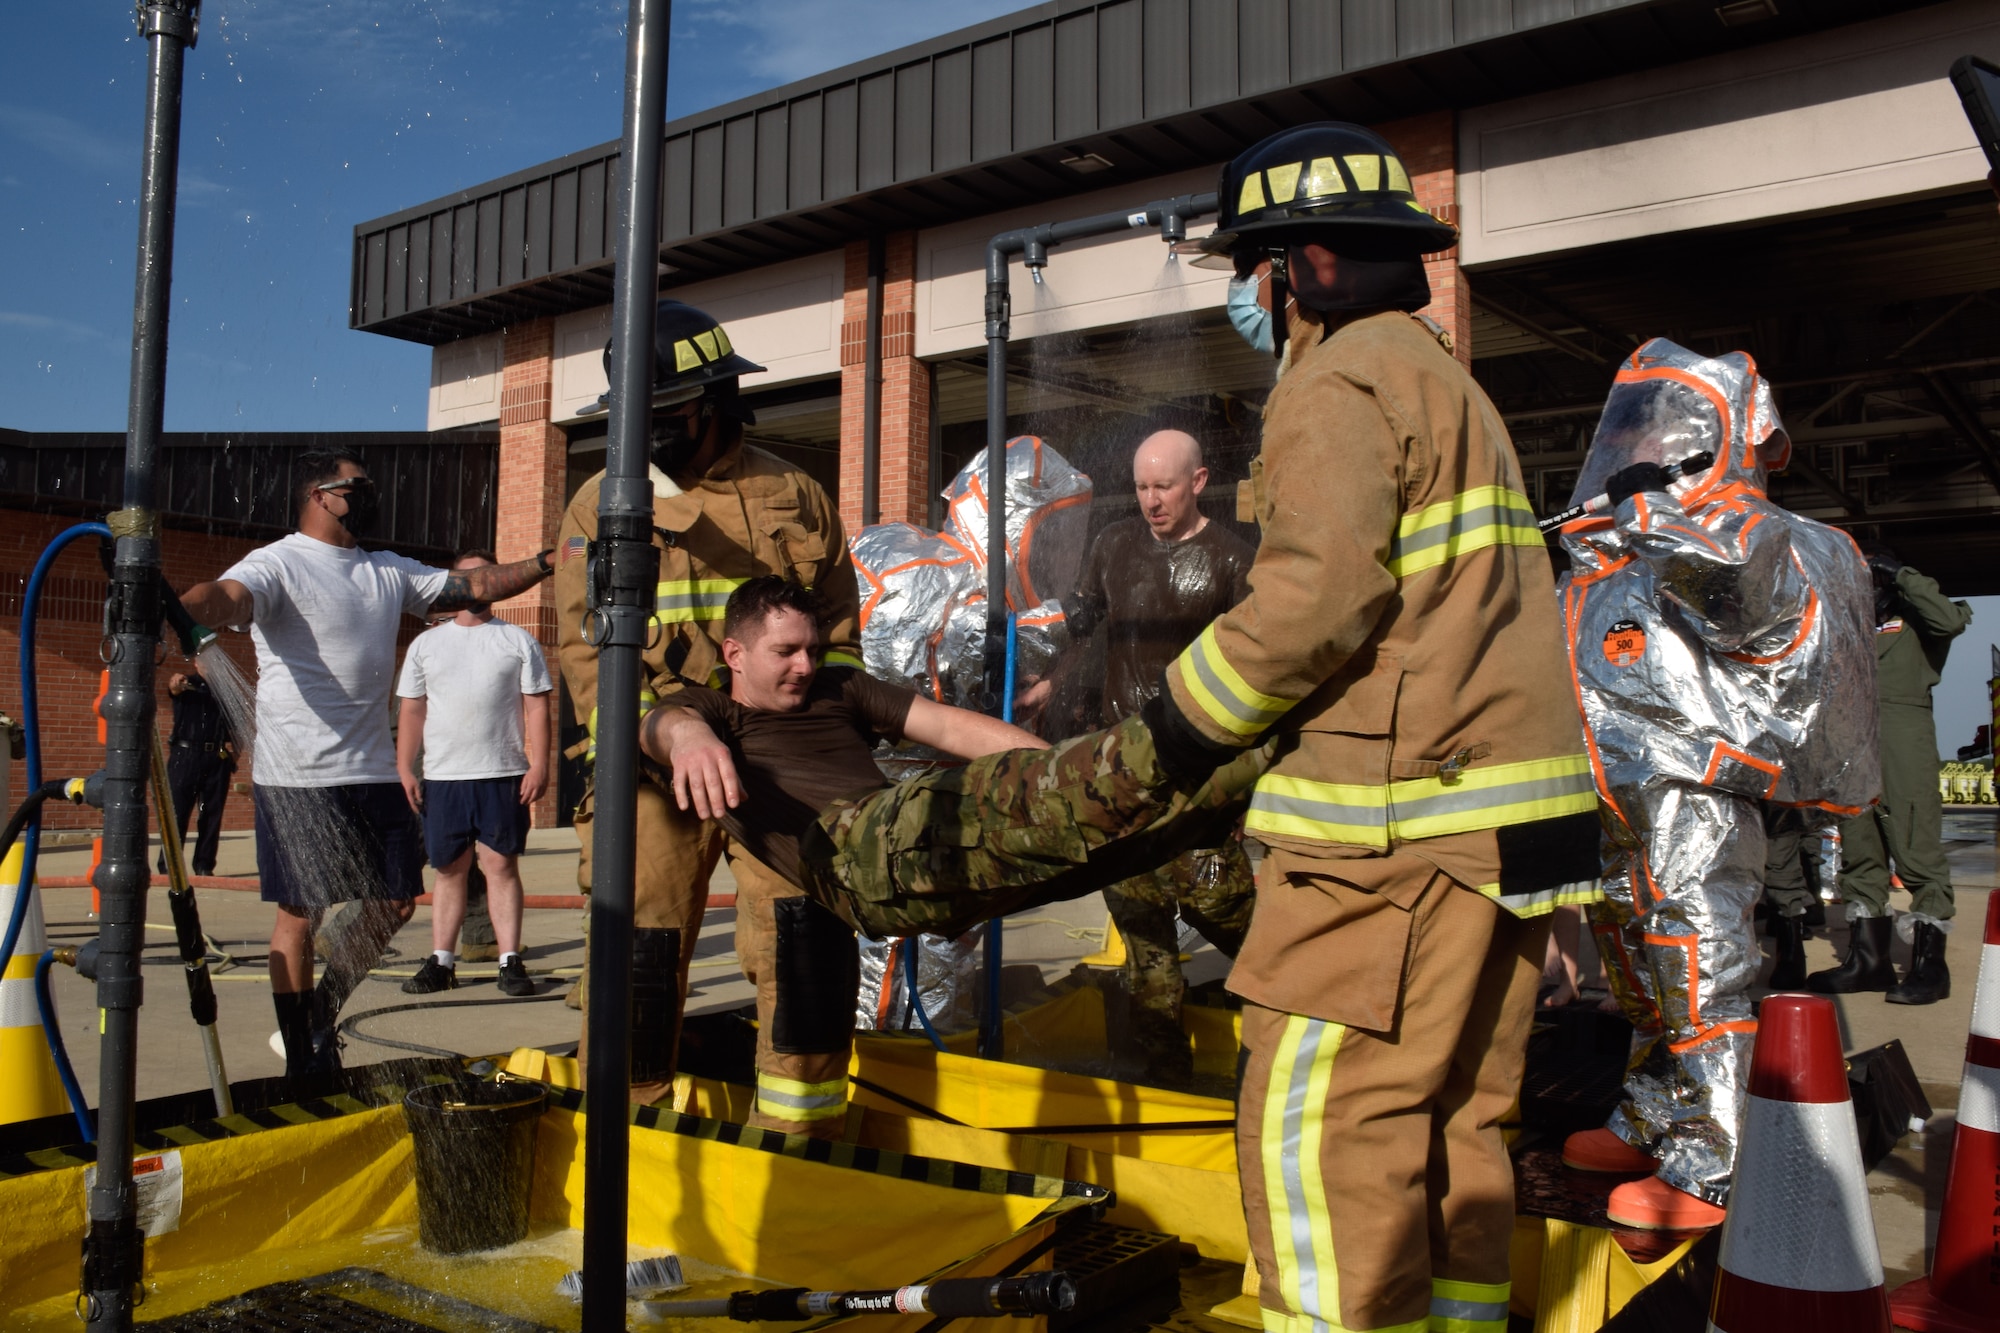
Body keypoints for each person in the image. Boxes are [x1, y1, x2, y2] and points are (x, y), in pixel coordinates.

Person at [1555, 339, 1878, 1230]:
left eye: (1665, 425)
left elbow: (1743, 595)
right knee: (1636, 959)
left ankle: (1718, 1157)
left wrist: (1651, 516)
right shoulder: (1613, 542)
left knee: (1698, 954)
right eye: (1634, 426)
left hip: (1691, 784)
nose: (1642, 444)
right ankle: (1658, 1112)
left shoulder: (1739, 529)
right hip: (1620, 788)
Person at [555, 298, 865, 1124]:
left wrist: (827, 748)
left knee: (805, 943)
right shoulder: (600, 503)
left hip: (780, 759)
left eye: (665, 414)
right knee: (638, 948)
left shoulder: (792, 493)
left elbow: (835, 637)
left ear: (713, 400)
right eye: (635, 416)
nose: (648, 434)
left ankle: (804, 1142)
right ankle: (627, 1139)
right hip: (656, 760)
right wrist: (659, 728)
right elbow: (588, 654)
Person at [176, 450, 553, 1083]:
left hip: (372, 771)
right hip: (299, 777)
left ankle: (318, 1016)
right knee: (301, 915)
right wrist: (181, 607)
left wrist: (551, 559)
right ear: (320, 495)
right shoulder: (278, 563)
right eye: (359, 487)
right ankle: (302, 1055)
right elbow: (224, 596)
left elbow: (477, 586)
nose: (370, 496)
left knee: (397, 903)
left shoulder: (386, 571)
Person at [1024, 427, 1257, 1081]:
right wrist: (1047, 680)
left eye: (1165, 486)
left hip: (1198, 775)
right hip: (1122, 774)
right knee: (1144, 940)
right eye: (1142, 486)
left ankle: (1297, 1040)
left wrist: (1244, 784)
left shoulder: (1234, 562)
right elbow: (1083, 619)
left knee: (1234, 919)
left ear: (1199, 482)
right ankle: (1160, 1070)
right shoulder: (1114, 543)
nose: (1151, 500)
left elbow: (1262, 672)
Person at [1805, 551, 1971, 1004]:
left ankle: (1930, 969)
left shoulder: (1918, 622)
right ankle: (1868, 962)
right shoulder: (1850, 627)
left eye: (1876, 583)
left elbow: (1951, 621)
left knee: (1916, 848)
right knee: (1860, 850)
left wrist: (1904, 574)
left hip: (1903, 737)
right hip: (1852, 738)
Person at [395, 549, 555, 999]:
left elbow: (538, 707)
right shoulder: (426, 644)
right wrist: (405, 767)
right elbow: (411, 709)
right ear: (453, 585)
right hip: (444, 775)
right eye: (467, 578)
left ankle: (510, 961)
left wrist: (539, 763)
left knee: (500, 865)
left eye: (486, 576)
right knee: (449, 869)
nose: (477, 585)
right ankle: (441, 962)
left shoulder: (518, 641)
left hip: (502, 773)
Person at [161, 659, 235, 877]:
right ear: (196, 662)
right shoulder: (187, 684)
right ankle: (169, 866)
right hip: (185, 755)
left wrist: (235, 753)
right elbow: (174, 688)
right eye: (205, 660)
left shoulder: (225, 691)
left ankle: (204, 865)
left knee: (211, 814)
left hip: (216, 756)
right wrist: (175, 685)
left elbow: (234, 725)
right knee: (177, 812)